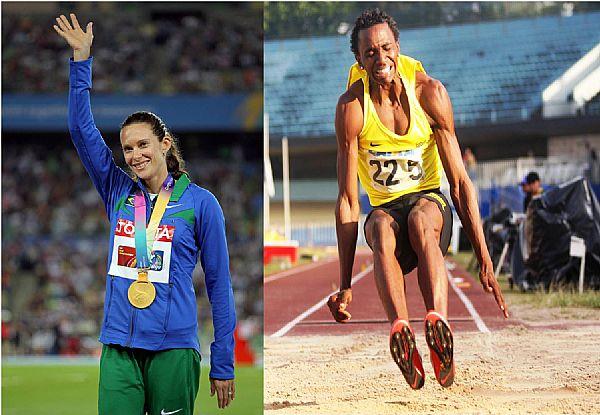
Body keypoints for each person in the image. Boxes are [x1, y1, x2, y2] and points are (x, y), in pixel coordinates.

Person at [53, 14, 236, 414]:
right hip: (118, 347)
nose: (134, 155)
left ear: (165, 144)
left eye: (143, 145)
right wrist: (81, 61)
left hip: (173, 349)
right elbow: (81, 129)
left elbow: (220, 286)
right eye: (127, 148)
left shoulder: (201, 204)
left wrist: (223, 360)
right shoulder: (117, 190)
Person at [327, 9, 508, 390]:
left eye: (386, 48)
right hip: (385, 212)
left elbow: (458, 183)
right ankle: (401, 330)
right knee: (377, 225)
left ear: (398, 48)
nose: (380, 59)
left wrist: (484, 258)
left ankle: (437, 325)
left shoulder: (430, 93)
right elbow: (347, 199)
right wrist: (344, 283)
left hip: (429, 205)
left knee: (420, 221)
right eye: (370, 52)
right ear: (358, 60)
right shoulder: (351, 108)